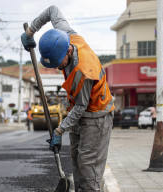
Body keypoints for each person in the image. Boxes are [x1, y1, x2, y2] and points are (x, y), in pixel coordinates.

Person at [21, 5, 115, 192]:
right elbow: (52, 10)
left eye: (58, 63)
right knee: (77, 162)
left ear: (68, 52)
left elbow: (81, 106)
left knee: (88, 171)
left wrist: (59, 130)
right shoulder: (66, 35)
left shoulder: (84, 71)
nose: (56, 67)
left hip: (97, 117)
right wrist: (31, 31)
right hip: (80, 113)